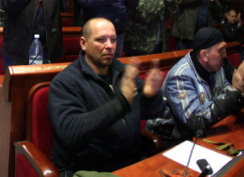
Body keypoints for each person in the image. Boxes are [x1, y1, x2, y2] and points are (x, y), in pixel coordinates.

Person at [48, 18, 165, 174]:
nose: (109, 46)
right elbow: (70, 133)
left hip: (132, 162)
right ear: (84, 43)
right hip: (89, 169)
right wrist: (121, 102)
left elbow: (153, 113)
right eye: (101, 40)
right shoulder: (65, 82)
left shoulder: (125, 72)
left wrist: (152, 96)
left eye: (113, 40)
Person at [146, 27, 244, 146]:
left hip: (201, 132)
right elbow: (195, 121)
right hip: (171, 138)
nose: (225, 55)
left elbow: (227, 98)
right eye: (221, 50)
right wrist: (235, 92)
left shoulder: (217, 68)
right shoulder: (180, 76)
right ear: (204, 55)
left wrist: (239, 92)